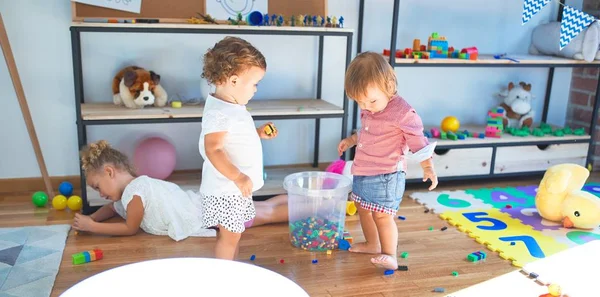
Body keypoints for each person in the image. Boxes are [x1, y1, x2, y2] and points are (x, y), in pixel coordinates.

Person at [337, 52, 439, 270]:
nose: (366, 107)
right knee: (362, 208)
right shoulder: (370, 108)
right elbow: (367, 132)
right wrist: (351, 140)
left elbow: (418, 141)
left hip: (387, 176)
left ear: (389, 85)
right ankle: (373, 244)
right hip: (363, 171)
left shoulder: (403, 112)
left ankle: (389, 254)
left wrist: (428, 166)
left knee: (382, 216)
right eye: (360, 103)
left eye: (371, 101)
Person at [199, 36, 278, 260]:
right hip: (227, 190)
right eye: (254, 84)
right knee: (229, 236)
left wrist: (258, 133)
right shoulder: (220, 113)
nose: (255, 90)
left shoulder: (229, 106)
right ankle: (225, 276)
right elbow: (213, 149)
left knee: (233, 234)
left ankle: (232, 270)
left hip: (232, 189)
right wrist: (238, 177)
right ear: (233, 81)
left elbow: (233, 139)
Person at [71, 140, 215, 241]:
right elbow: (111, 208)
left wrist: (93, 226)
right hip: (189, 201)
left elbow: (130, 228)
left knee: (219, 219)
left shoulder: (135, 192)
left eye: (98, 187)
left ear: (109, 172)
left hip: (192, 208)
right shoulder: (127, 192)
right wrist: (92, 217)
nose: (101, 194)